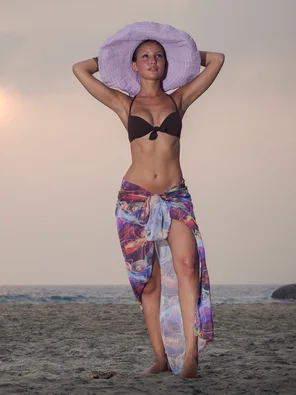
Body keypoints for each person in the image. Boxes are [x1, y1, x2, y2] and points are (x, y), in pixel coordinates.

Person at [72, 22, 224, 379]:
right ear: (134, 65)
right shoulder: (123, 103)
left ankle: (189, 357)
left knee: (188, 268)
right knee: (149, 282)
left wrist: (187, 55)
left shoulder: (179, 99)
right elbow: (80, 69)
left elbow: (216, 60)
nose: (153, 61)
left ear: (166, 63)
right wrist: (110, 59)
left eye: (159, 56)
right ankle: (159, 358)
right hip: (135, 198)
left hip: (175, 197)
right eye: (145, 56)